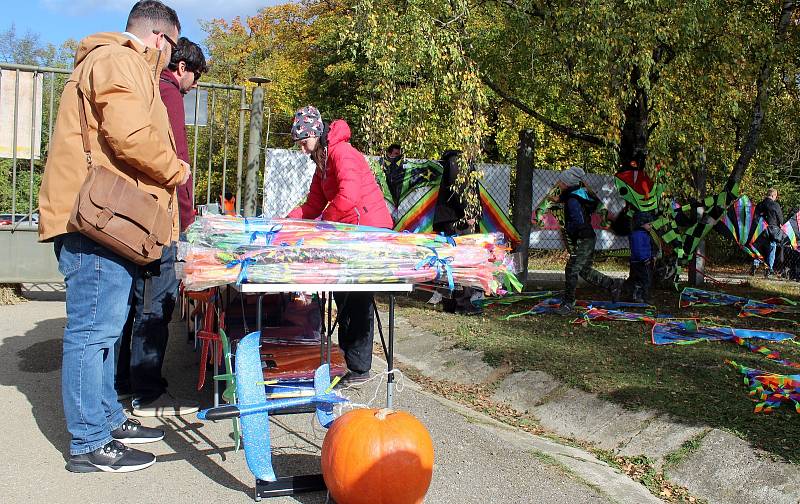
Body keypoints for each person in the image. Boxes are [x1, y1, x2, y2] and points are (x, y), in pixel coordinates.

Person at [38, 0, 190, 473]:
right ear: (160, 39)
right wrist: (178, 170)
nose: (169, 57)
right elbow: (131, 136)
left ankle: (106, 420)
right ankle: (89, 442)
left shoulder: (117, 61)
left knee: (104, 331)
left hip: (106, 222)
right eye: (172, 46)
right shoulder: (120, 59)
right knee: (93, 333)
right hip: (97, 224)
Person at [115, 36, 206, 417]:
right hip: (162, 219)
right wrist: (185, 219)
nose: (196, 85)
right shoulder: (169, 95)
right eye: (196, 76)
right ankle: (147, 390)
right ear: (181, 68)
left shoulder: (148, 86)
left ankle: (124, 382)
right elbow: (178, 163)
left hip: (139, 215)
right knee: (156, 303)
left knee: (136, 301)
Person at [287, 106, 393, 384]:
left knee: (356, 297)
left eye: (303, 142)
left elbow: (349, 195)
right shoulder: (322, 163)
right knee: (343, 296)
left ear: (316, 133)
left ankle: (359, 367)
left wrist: (325, 222)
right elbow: (312, 204)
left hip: (368, 232)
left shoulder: (341, 153)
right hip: (350, 233)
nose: (302, 150)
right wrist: (286, 222)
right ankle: (345, 360)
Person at [552, 167, 622, 315]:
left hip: (583, 238)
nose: (559, 183)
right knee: (584, 270)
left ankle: (568, 303)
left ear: (568, 182)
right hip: (587, 237)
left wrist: (573, 235)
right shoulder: (579, 194)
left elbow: (578, 221)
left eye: (562, 181)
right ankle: (613, 284)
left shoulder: (572, 200)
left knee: (572, 269)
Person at [432, 149, 483, 315]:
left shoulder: (455, 160)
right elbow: (457, 189)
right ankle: (462, 304)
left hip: (452, 218)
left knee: (451, 261)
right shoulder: (457, 161)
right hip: (457, 220)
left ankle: (452, 302)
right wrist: (467, 213)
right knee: (461, 261)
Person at [751, 188, 784, 278]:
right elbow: (780, 218)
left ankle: (755, 263)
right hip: (773, 229)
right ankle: (768, 269)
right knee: (772, 248)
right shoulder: (775, 205)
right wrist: (781, 224)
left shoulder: (760, 205)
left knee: (758, 248)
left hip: (761, 229)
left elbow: (755, 218)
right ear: (773, 195)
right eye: (775, 196)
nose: (775, 198)